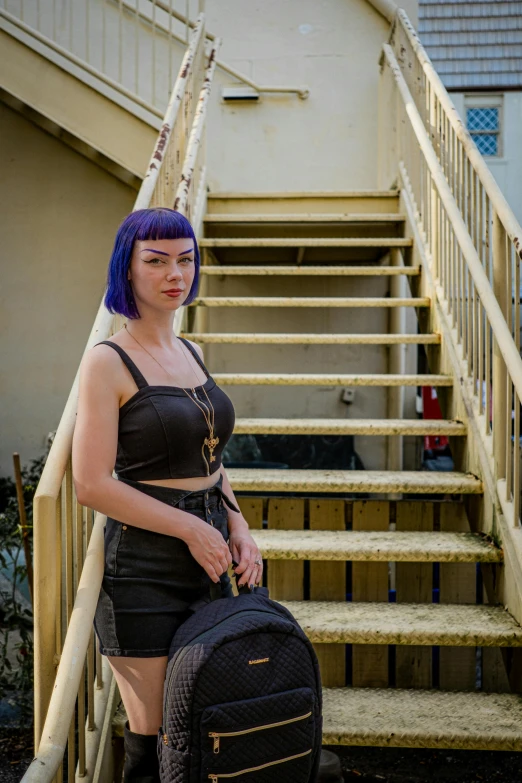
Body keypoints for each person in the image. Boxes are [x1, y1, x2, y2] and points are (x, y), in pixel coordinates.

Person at [72, 207, 264, 782]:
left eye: (185, 259)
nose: (174, 273)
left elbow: (210, 457)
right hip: (145, 565)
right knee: (155, 742)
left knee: (203, 724)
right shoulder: (108, 360)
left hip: (209, 551)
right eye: (155, 261)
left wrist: (237, 525)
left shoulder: (193, 351)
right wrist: (188, 527)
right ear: (126, 271)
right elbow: (91, 483)